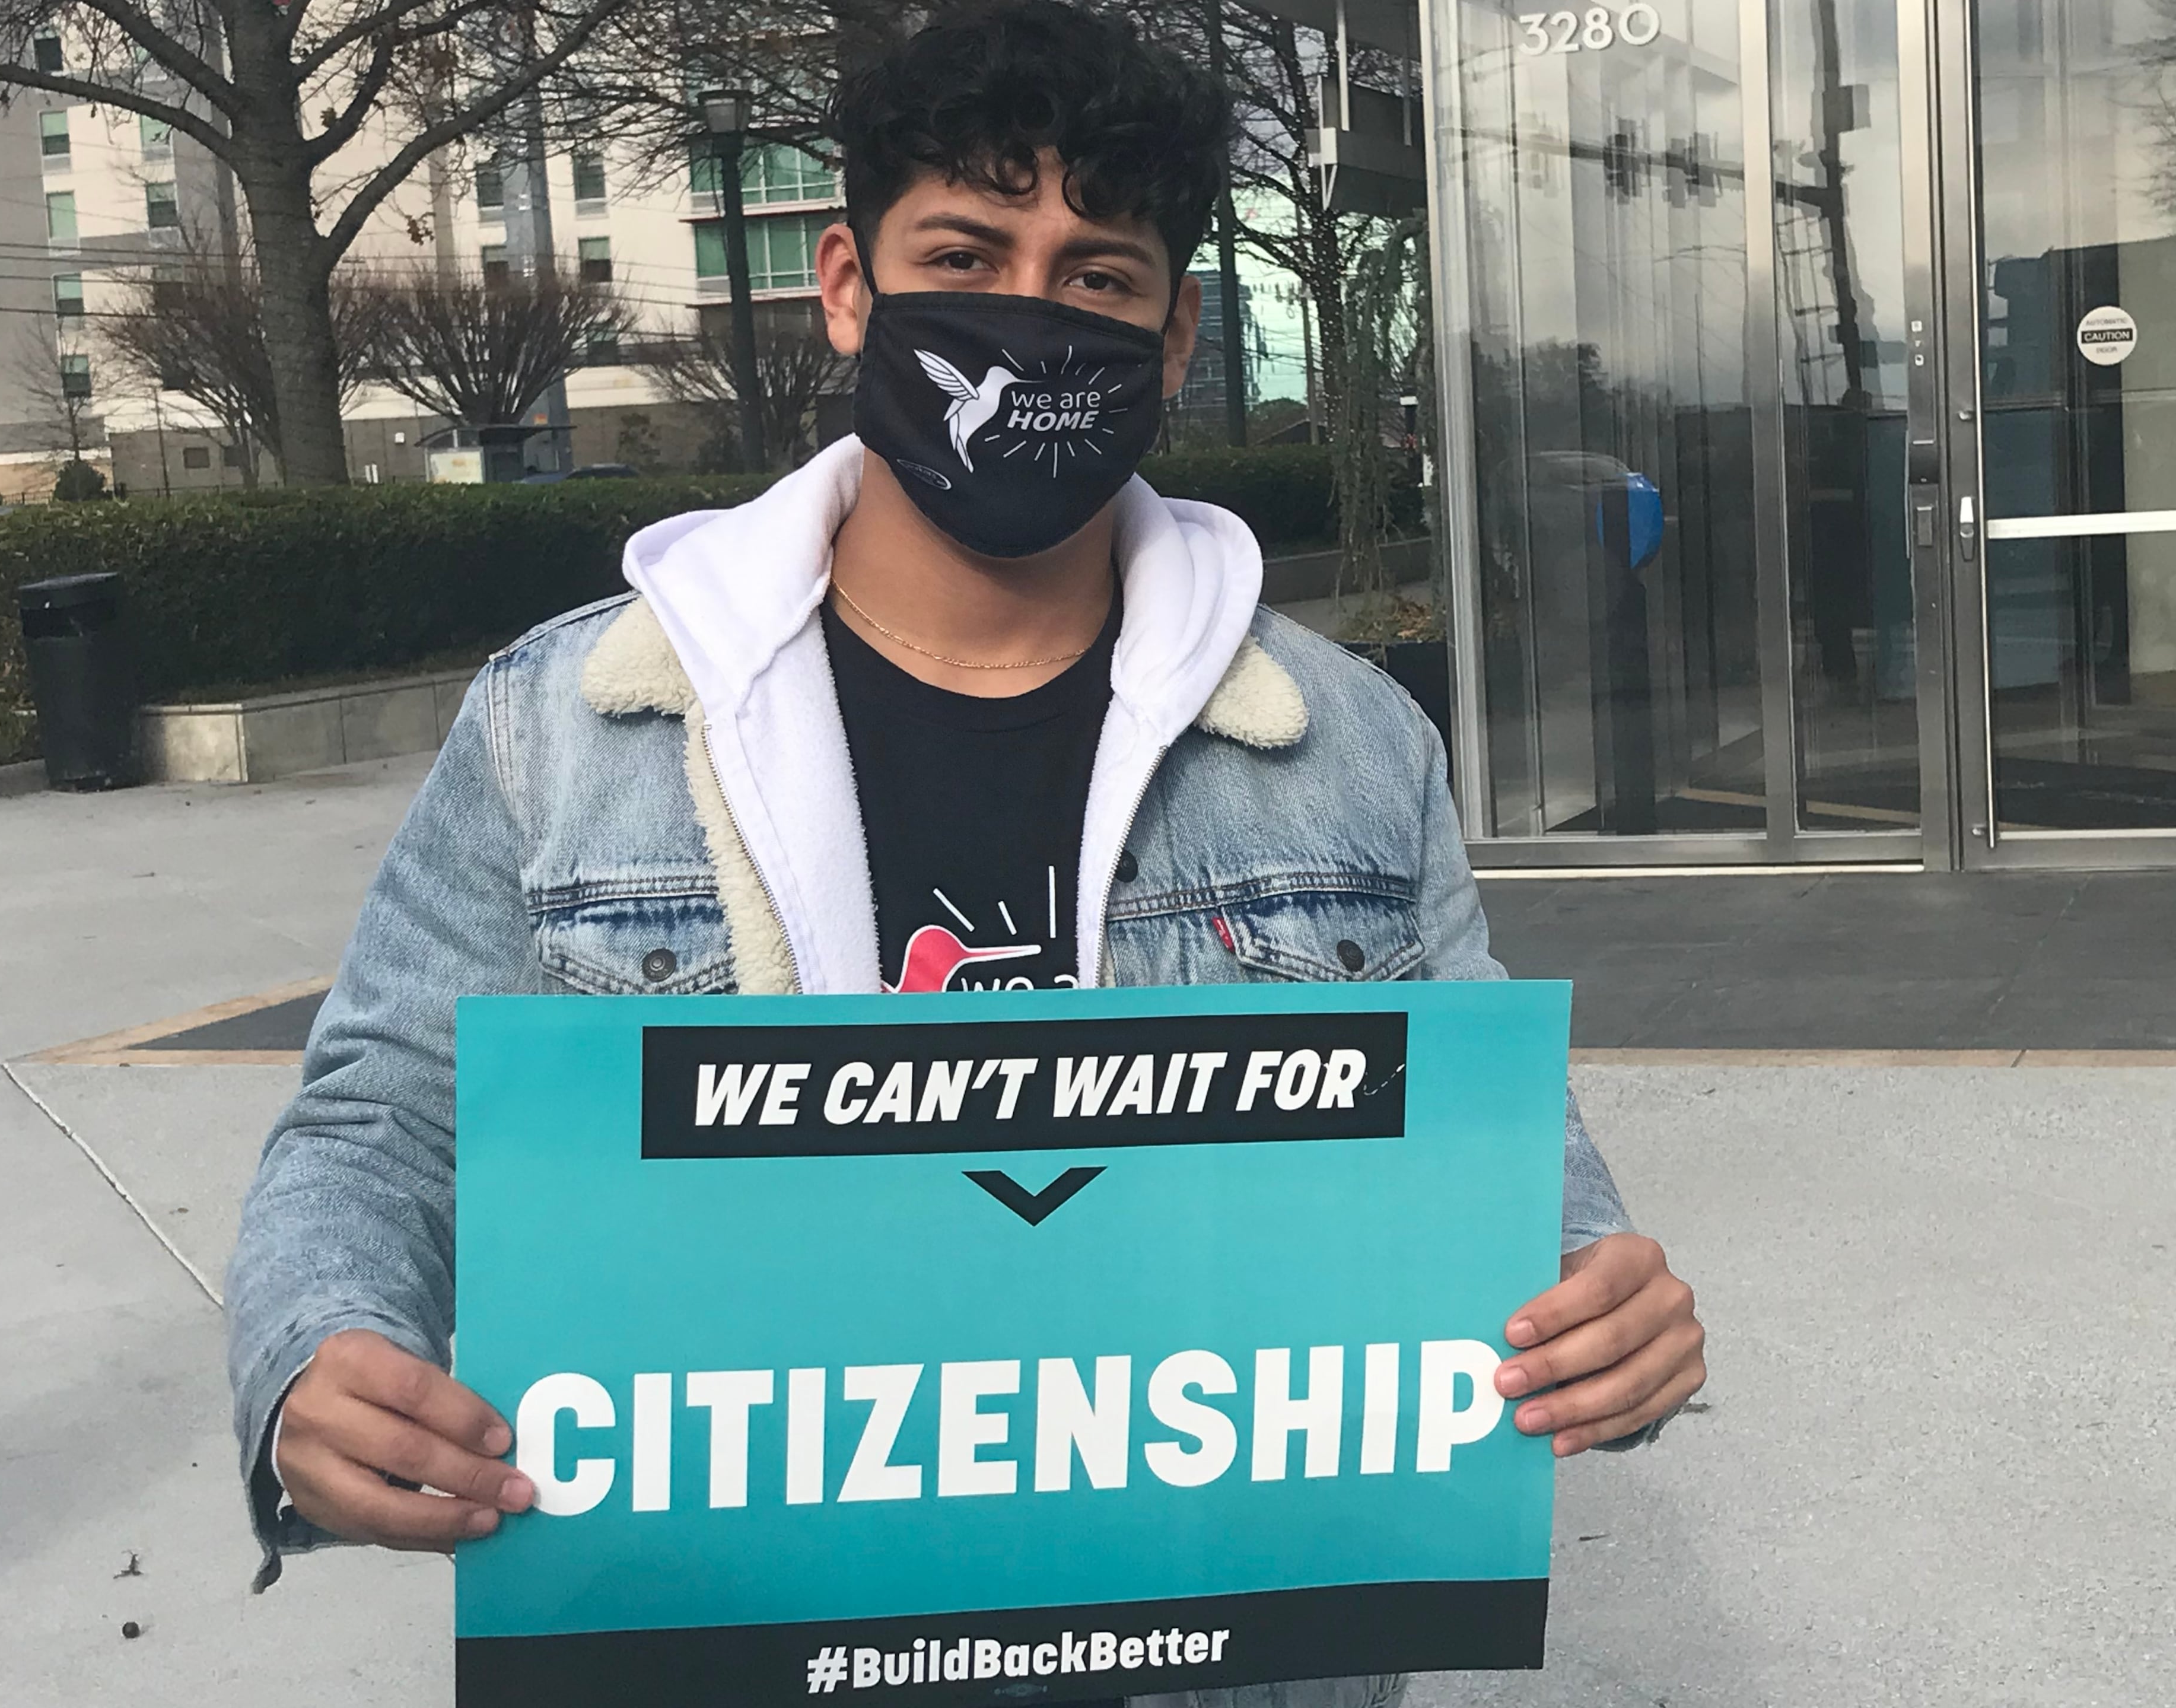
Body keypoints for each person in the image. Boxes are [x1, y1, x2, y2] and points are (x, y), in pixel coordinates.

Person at [228, 0, 1704, 1615]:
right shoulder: (568, 726)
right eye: (965, 253)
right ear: (849, 287)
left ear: (1177, 334)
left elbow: (1474, 1127)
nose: (1027, 315)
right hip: (748, 1620)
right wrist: (320, 1344)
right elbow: (384, 1118)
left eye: (1096, 277)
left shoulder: (1350, 744)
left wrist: (1590, 1280)